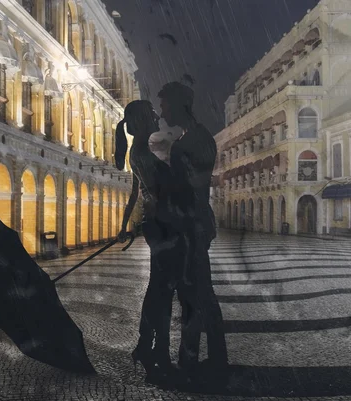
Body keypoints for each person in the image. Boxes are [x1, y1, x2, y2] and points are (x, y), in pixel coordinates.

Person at [157, 82, 228, 383]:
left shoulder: (195, 141)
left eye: (164, 106)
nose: (162, 112)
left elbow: (193, 186)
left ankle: (193, 360)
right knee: (200, 294)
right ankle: (212, 356)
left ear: (178, 105)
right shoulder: (196, 138)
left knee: (193, 294)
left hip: (191, 224)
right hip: (193, 222)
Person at [115, 100, 187, 385]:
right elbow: (166, 186)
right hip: (166, 224)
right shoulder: (150, 147)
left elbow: (136, 192)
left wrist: (126, 226)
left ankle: (148, 344)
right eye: (153, 115)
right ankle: (157, 351)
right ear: (144, 118)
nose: (158, 117)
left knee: (158, 289)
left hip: (153, 224)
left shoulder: (136, 150)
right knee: (163, 291)